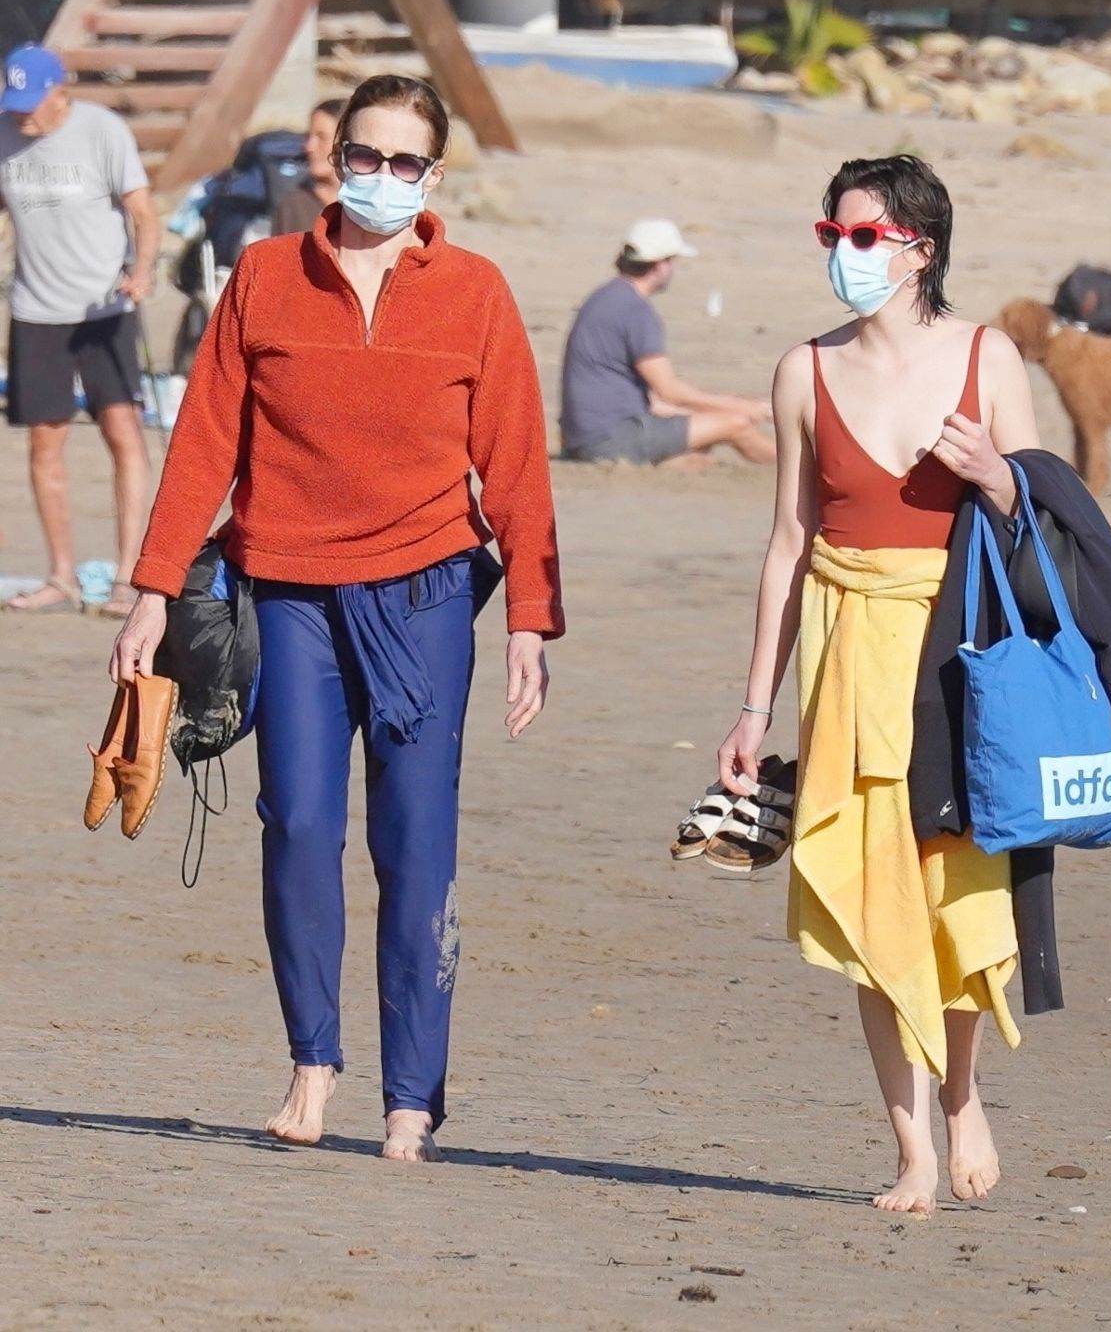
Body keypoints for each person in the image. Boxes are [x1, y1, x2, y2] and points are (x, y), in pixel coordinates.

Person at [111, 74, 563, 1163]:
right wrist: (152, 586)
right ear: (336, 157)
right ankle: (312, 1061)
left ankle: (412, 1094)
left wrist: (531, 620)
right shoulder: (263, 278)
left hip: (425, 596)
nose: (382, 177)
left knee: (415, 848)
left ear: (434, 175)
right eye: (366, 155)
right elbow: (205, 442)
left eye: (406, 162)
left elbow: (515, 462)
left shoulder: (476, 291)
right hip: (291, 594)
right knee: (300, 827)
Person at [716, 155, 1041, 1214]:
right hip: (844, 645)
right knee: (867, 892)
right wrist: (753, 703)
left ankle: (959, 1101)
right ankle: (907, 1147)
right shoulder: (801, 371)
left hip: (958, 652)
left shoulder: (988, 357)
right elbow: (783, 542)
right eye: (830, 235)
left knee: (954, 886)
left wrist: (994, 472)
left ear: (918, 248)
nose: (842, 254)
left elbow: (1050, 520)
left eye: (861, 236)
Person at [0, 42, 158, 617]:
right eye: (13, 102)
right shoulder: (5, 134)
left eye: (31, 102)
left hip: (103, 310)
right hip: (36, 311)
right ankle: (61, 576)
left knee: (122, 430)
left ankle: (128, 577)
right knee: (46, 440)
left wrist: (141, 273)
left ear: (59, 91)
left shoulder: (102, 130)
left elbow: (144, 212)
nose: (23, 115)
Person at [560, 219, 775, 465]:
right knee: (736, 426)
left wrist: (724, 408)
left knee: (703, 444)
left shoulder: (606, 297)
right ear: (660, 265)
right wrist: (740, 408)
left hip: (583, 437)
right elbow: (669, 391)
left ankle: (677, 462)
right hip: (610, 438)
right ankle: (800, 470)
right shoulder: (635, 311)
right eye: (672, 261)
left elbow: (654, 400)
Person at [272, 98, 344, 235]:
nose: (308, 147)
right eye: (307, 137)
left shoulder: (366, 206)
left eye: (322, 137)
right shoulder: (293, 206)